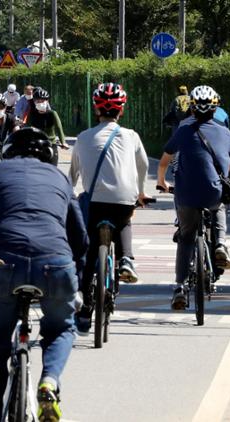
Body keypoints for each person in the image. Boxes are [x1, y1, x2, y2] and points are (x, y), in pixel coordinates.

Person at [0, 127, 88, 422]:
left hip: (1, 264)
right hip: (56, 263)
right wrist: (78, 283)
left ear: (6, 152)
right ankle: (50, 381)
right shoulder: (59, 178)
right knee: (60, 329)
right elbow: (80, 239)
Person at [70, 82, 150, 335]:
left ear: (96, 109)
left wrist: (69, 193)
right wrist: (140, 193)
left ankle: (83, 311)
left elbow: (72, 174)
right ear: (122, 110)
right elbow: (144, 165)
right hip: (123, 199)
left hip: (93, 202)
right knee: (124, 220)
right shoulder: (131, 136)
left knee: (90, 250)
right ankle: (127, 259)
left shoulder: (83, 137)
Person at [156, 85, 230, 310]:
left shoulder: (183, 130)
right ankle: (221, 245)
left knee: (186, 239)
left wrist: (161, 182)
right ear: (216, 110)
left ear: (192, 109)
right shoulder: (224, 132)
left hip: (185, 193)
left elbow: (165, 160)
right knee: (219, 206)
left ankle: (180, 288)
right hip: (213, 191)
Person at [25, 88, 69, 166]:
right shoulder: (32, 113)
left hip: (51, 143)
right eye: (38, 101)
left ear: (47, 101)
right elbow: (27, 128)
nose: (40, 103)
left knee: (53, 168)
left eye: (43, 101)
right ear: (34, 102)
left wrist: (63, 142)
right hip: (36, 144)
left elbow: (59, 127)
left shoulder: (52, 113)